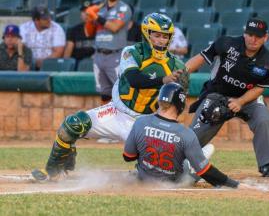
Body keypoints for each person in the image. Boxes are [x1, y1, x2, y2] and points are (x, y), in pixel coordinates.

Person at [31, 12, 186, 181]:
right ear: (146, 34)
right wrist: (163, 79)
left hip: (147, 122)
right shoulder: (132, 52)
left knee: (161, 175)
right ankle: (53, 170)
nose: (161, 40)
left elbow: (178, 103)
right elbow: (134, 79)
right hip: (117, 112)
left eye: (165, 36)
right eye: (156, 35)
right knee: (72, 125)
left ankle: (184, 169)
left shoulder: (177, 65)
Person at [185, 18, 269, 178]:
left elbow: (260, 88)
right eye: (250, 34)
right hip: (217, 94)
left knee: (264, 120)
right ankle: (178, 157)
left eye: (258, 35)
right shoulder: (226, 43)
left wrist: (240, 101)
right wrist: (183, 72)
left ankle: (268, 165)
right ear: (244, 34)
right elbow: (202, 57)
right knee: (196, 132)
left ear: (266, 37)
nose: (253, 39)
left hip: (248, 99)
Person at [123, 82, 240, 188]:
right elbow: (206, 172)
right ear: (181, 105)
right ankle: (192, 163)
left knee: (188, 157)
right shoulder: (186, 134)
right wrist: (235, 185)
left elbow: (128, 156)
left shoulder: (140, 122)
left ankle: (191, 161)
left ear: (159, 100)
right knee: (201, 155)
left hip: (144, 179)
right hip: (173, 184)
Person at [84, 0, 132, 104]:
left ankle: (124, 121)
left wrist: (95, 16)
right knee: (104, 94)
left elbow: (115, 27)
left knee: (121, 93)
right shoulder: (100, 9)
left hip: (115, 55)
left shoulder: (123, 8)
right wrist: (89, 18)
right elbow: (88, 33)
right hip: (98, 55)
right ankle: (106, 122)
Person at [20, 5, 66, 70]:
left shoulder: (57, 28)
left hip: (50, 65)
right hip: (27, 64)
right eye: (45, 19)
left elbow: (58, 52)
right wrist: (31, 62)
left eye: (49, 17)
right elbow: (20, 48)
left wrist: (44, 62)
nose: (49, 20)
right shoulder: (24, 28)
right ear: (36, 20)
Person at [63, 1, 95, 69]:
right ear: (81, 14)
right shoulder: (73, 30)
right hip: (77, 67)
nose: (86, 14)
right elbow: (67, 54)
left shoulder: (101, 30)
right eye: (84, 12)